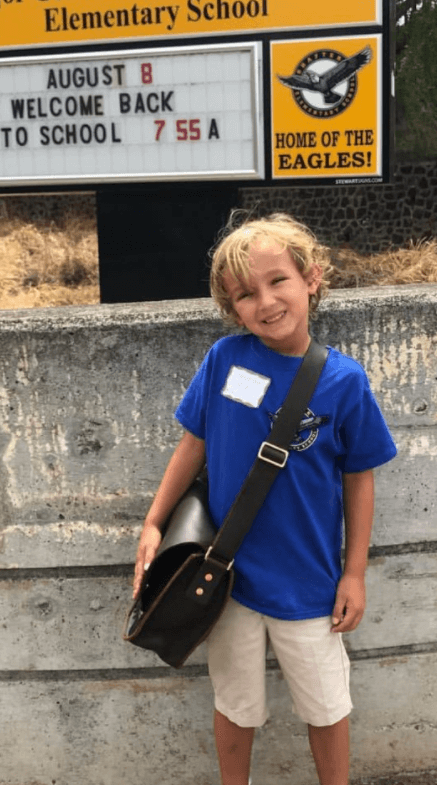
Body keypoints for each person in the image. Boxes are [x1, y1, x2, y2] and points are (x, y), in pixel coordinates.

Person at [132, 212, 397, 785]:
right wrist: (153, 523)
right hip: (226, 580)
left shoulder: (344, 381)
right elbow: (193, 444)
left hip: (311, 583)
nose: (266, 301)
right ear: (233, 309)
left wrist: (354, 575)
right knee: (236, 705)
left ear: (312, 278)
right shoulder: (224, 360)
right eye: (245, 294)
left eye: (278, 280)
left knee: (327, 707)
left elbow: (360, 477)